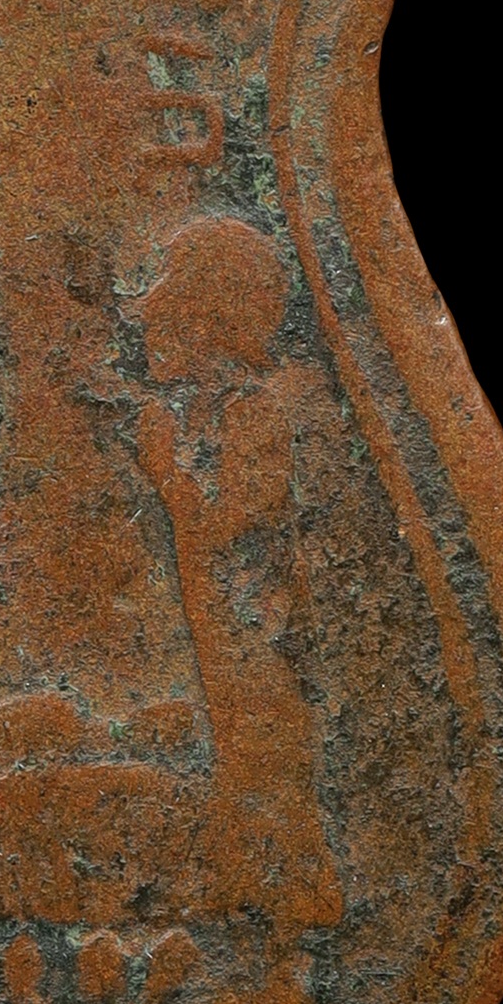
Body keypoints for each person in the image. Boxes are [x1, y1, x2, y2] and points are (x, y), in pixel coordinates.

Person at [134, 217, 343, 929]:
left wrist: (165, 473)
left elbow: (230, 526)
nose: (146, 310)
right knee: (241, 759)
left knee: (266, 765)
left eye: (164, 291)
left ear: (210, 314)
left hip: (259, 638)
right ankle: (255, 894)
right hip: (227, 633)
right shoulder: (212, 412)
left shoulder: (255, 412)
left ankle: (300, 897)